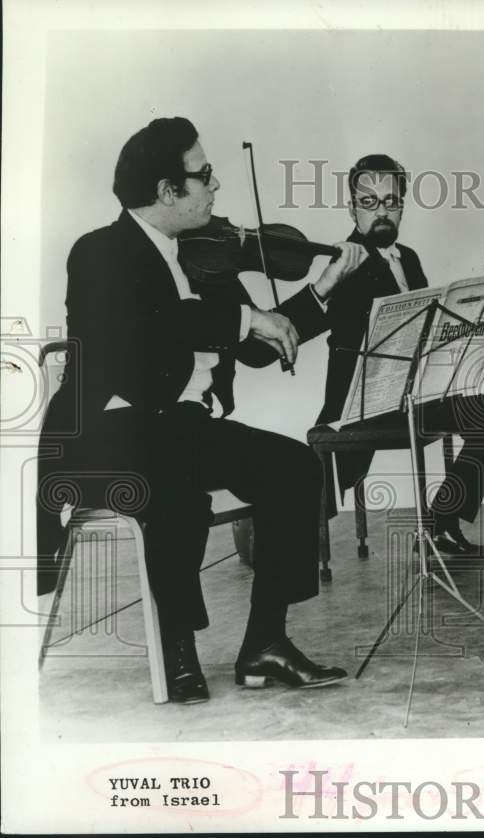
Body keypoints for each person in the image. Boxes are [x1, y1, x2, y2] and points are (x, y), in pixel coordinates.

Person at [36, 117, 367, 703]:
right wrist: (244, 317)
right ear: (168, 190)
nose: (215, 186)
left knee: (294, 466)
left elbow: (260, 345)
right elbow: (148, 333)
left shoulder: (203, 257)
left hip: (183, 426)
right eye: (204, 175)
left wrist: (325, 285)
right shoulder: (98, 253)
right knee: (176, 489)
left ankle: (265, 644)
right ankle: (177, 646)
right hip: (110, 433)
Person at [316, 153, 484, 557]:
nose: (381, 212)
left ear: (402, 206)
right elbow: (351, 342)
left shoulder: (408, 258)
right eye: (369, 202)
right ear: (352, 209)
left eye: (391, 201)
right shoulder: (345, 263)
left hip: (414, 392)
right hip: (365, 402)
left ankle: (479, 526)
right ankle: (454, 525)